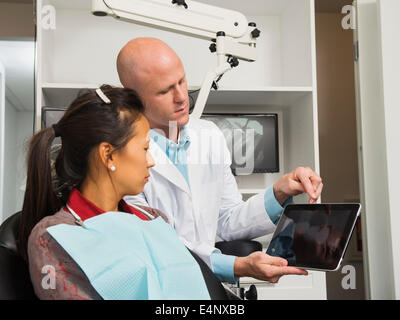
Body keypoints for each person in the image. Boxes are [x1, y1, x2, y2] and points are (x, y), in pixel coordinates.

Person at [117, 38, 322, 283]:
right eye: (164, 90)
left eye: (181, 81)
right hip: (162, 288)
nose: (182, 97)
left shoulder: (209, 134)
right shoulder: (123, 155)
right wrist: (237, 266)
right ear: (132, 97)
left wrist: (279, 192)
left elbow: (226, 221)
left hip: (207, 287)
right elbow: (159, 247)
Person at [17, 85, 214, 299]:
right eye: (145, 149)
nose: (151, 161)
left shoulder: (153, 219)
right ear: (108, 155)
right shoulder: (53, 236)